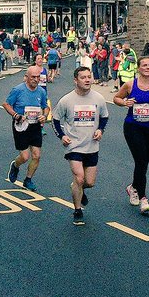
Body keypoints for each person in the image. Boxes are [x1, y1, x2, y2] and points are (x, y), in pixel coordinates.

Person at [114, 54, 149, 215]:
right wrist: (125, 102)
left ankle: (133, 187)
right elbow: (116, 98)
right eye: (144, 65)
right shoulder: (131, 85)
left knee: (144, 162)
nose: (147, 68)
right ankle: (143, 197)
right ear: (139, 68)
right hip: (133, 126)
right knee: (140, 160)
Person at [52, 66, 109, 225]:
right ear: (75, 80)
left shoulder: (98, 98)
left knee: (89, 182)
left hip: (92, 146)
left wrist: (100, 130)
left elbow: (104, 117)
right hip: (74, 146)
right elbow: (55, 120)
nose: (87, 80)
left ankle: (78, 188)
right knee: (79, 177)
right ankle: (77, 211)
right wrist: (62, 136)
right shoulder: (66, 100)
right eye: (83, 77)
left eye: (89, 77)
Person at [3, 65, 48, 191]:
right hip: (21, 126)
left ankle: (28, 179)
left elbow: (46, 106)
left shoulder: (41, 91)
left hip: (35, 126)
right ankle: (15, 165)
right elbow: (6, 104)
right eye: (33, 77)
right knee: (24, 157)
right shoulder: (18, 90)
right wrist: (16, 115)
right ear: (26, 77)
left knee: (37, 155)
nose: (36, 79)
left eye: (38, 77)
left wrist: (44, 115)